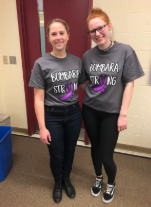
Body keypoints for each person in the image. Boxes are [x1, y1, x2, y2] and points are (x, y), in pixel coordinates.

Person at [78, 8, 145, 204]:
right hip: (90, 109)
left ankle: (111, 182)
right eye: (92, 31)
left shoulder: (125, 51)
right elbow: (83, 81)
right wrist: (92, 90)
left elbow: (130, 83)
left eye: (100, 28)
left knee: (107, 155)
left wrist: (123, 114)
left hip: (112, 113)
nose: (97, 34)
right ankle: (98, 178)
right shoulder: (87, 56)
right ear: (89, 34)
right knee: (95, 148)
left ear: (109, 26)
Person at [29, 19, 86, 203]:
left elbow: (84, 85)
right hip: (51, 115)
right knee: (57, 153)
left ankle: (66, 179)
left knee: (70, 150)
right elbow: (38, 99)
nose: (58, 37)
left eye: (61, 33)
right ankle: (57, 182)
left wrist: (106, 84)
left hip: (73, 113)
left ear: (68, 36)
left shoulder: (77, 61)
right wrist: (42, 127)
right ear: (49, 37)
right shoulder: (41, 64)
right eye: (54, 34)